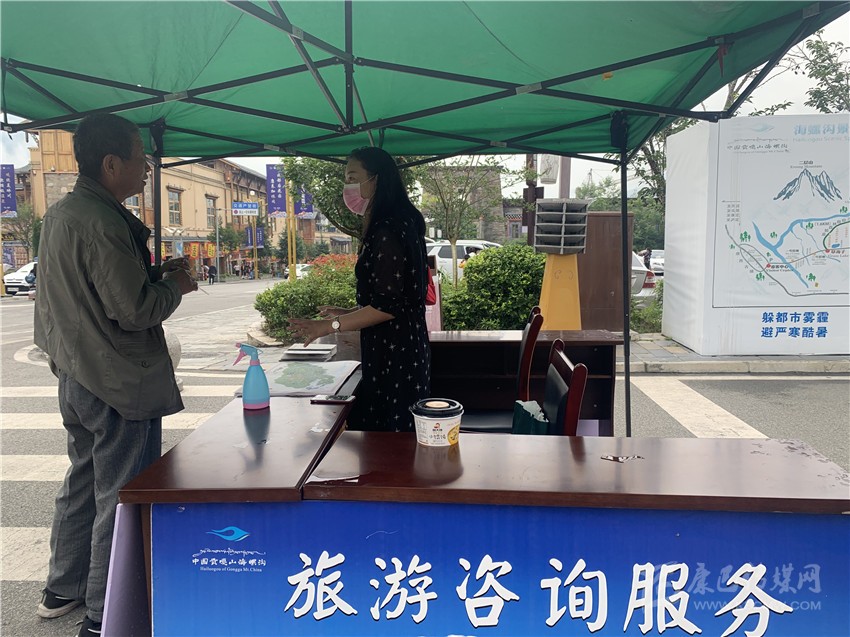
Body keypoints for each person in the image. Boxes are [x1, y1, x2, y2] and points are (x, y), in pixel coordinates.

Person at [33, 113, 198, 637]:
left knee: (82, 481)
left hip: (76, 374)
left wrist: (155, 275)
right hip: (118, 381)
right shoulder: (104, 223)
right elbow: (133, 309)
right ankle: (105, 612)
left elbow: (82, 294)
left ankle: (63, 587)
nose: (146, 169)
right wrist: (175, 287)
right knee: (120, 493)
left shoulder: (61, 215)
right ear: (110, 163)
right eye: (139, 159)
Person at [288, 146, 430, 432]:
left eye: (353, 177)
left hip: (394, 353)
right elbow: (394, 298)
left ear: (377, 179)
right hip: (402, 345)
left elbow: (387, 306)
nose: (347, 186)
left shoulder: (387, 229)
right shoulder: (401, 221)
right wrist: (348, 313)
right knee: (393, 431)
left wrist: (329, 326)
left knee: (389, 434)